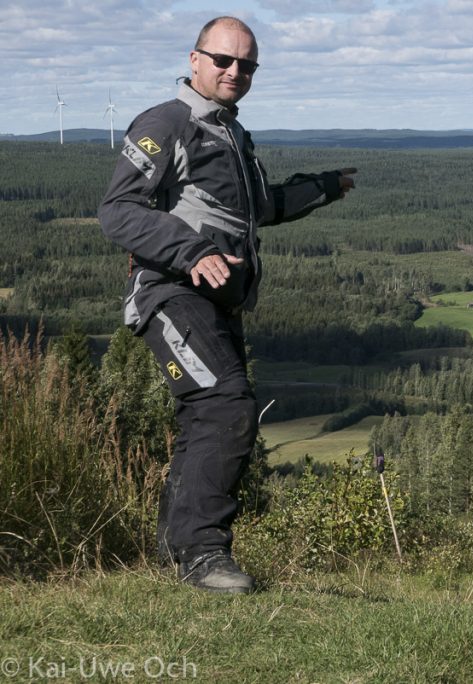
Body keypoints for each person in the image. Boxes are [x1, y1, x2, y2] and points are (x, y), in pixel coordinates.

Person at [99, 16, 356, 594]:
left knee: (206, 415)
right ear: (194, 60)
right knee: (225, 405)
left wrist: (324, 186)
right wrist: (190, 251)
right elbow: (118, 211)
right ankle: (203, 555)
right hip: (170, 293)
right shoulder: (166, 124)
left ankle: (173, 549)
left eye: (246, 65)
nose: (234, 71)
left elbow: (261, 207)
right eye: (222, 60)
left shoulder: (232, 136)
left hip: (216, 304)